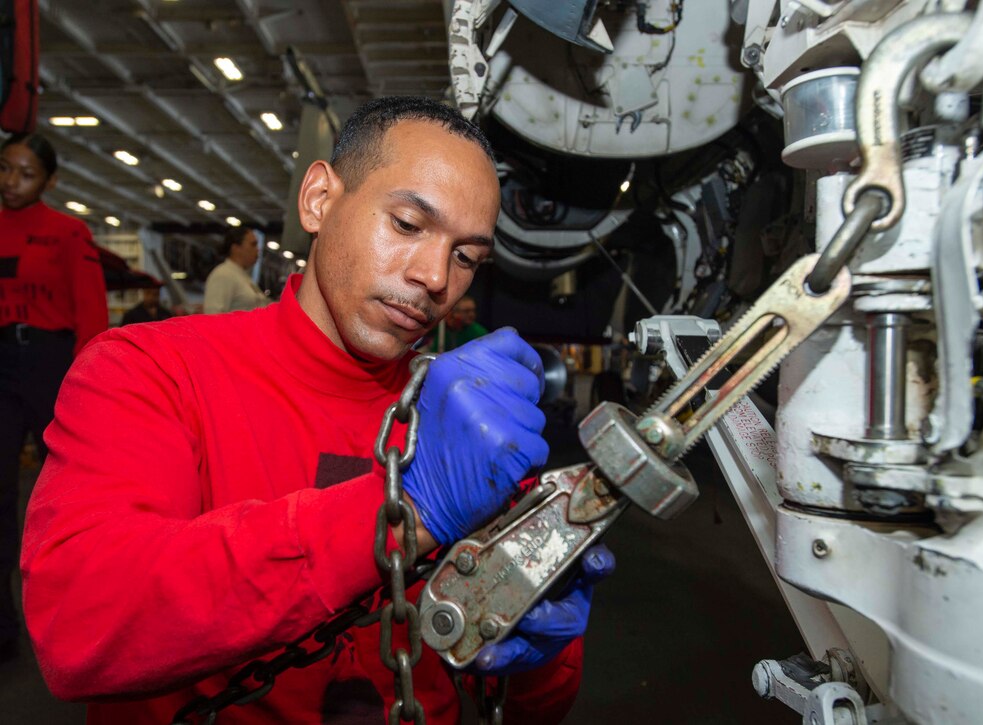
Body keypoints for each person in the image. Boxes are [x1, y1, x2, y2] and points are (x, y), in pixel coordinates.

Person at [21, 97, 612, 724]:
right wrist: (403, 514)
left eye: (466, 256)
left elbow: (532, 710)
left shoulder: (466, 430)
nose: (436, 276)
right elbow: (79, 626)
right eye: (409, 224)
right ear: (319, 201)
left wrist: (542, 656)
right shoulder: (149, 370)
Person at [0, 132, 107, 660]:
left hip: (49, 366)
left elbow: (91, 314)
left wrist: (89, 389)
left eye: (26, 173)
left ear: (49, 181)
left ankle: (81, 620)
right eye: (5, 168)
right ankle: (0, 627)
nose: (11, 182)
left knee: (67, 500)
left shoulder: (67, 233)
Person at [203, 226, 271, 313]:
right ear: (235, 248)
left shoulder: (242, 277)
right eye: (253, 244)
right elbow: (213, 316)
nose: (258, 249)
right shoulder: (223, 275)